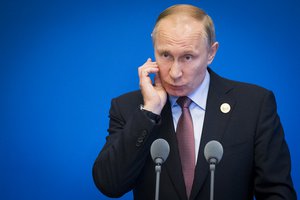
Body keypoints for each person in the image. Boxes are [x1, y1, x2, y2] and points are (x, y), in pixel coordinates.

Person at [92, 4, 297, 200]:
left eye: (188, 57)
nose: (174, 72)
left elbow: (276, 191)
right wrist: (150, 112)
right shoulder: (128, 108)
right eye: (165, 55)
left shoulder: (255, 105)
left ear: (211, 53)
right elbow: (110, 185)